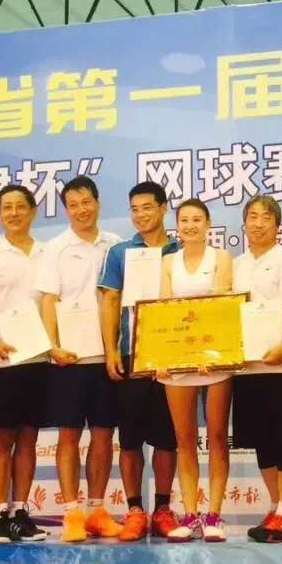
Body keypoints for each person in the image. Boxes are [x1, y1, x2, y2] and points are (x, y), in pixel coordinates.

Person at [37, 177, 123, 543]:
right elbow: (47, 301)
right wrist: (52, 346)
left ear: (98, 203)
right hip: (68, 358)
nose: (81, 210)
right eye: (73, 205)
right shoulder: (54, 248)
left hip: (107, 356)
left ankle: (97, 510)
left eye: (86, 202)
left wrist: (117, 348)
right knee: (69, 434)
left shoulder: (116, 245)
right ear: (66, 209)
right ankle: (72, 512)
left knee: (104, 434)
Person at [98, 181, 181, 542]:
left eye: (148, 207)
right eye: (134, 209)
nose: (140, 215)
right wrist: (111, 351)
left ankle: (162, 509)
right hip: (131, 354)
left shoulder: (181, 250)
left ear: (163, 208)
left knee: (167, 438)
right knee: (130, 438)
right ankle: (134, 509)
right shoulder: (120, 252)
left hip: (173, 355)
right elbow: (109, 302)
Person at [0, 183, 49, 544]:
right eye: (7, 207)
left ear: (33, 211)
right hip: (0, 359)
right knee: (2, 438)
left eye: (21, 206)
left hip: (38, 357)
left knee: (29, 437)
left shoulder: (47, 252)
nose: (14, 213)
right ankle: (0, 514)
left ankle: (20, 512)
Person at [232, 196, 282, 543]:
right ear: (244, 223)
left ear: (277, 225)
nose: (258, 223)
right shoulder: (236, 265)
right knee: (261, 440)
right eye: (252, 216)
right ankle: (281, 510)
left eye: (266, 217)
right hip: (246, 366)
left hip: (281, 363)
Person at [159, 198, 234, 542]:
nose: (190, 226)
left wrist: (208, 352)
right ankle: (190, 514)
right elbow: (163, 312)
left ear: (207, 225)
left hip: (214, 360)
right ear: (177, 226)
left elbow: (222, 309)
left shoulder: (221, 258)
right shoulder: (168, 262)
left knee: (217, 437)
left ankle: (214, 515)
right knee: (184, 440)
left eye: (196, 220)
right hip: (178, 362)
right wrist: (164, 358)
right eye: (184, 220)